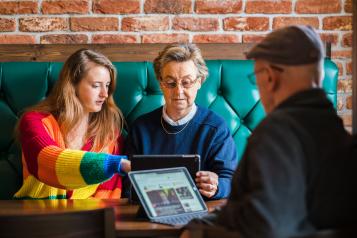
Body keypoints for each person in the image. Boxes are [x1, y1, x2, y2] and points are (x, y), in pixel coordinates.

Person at [183, 25, 357, 237]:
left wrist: (199, 234)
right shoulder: (339, 133)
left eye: (255, 77)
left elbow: (269, 228)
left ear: (270, 77)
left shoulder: (276, 134)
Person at [14, 49, 131, 199]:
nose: (105, 94)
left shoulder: (109, 135)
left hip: (87, 219)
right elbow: (46, 162)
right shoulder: (34, 121)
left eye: (107, 85)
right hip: (36, 216)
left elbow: (108, 195)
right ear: (72, 85)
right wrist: (116, 164)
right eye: (96, 85)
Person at [125, 43, 237, 199]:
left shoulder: (216, 127)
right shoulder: (140, 128)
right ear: (161, 83)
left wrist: (217, 187)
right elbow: (127, 183)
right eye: (171, 83)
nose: (178, 91)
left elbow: (230, 179)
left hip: (200, 213)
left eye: (187, 82)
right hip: (151, 213)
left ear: (199, 82)